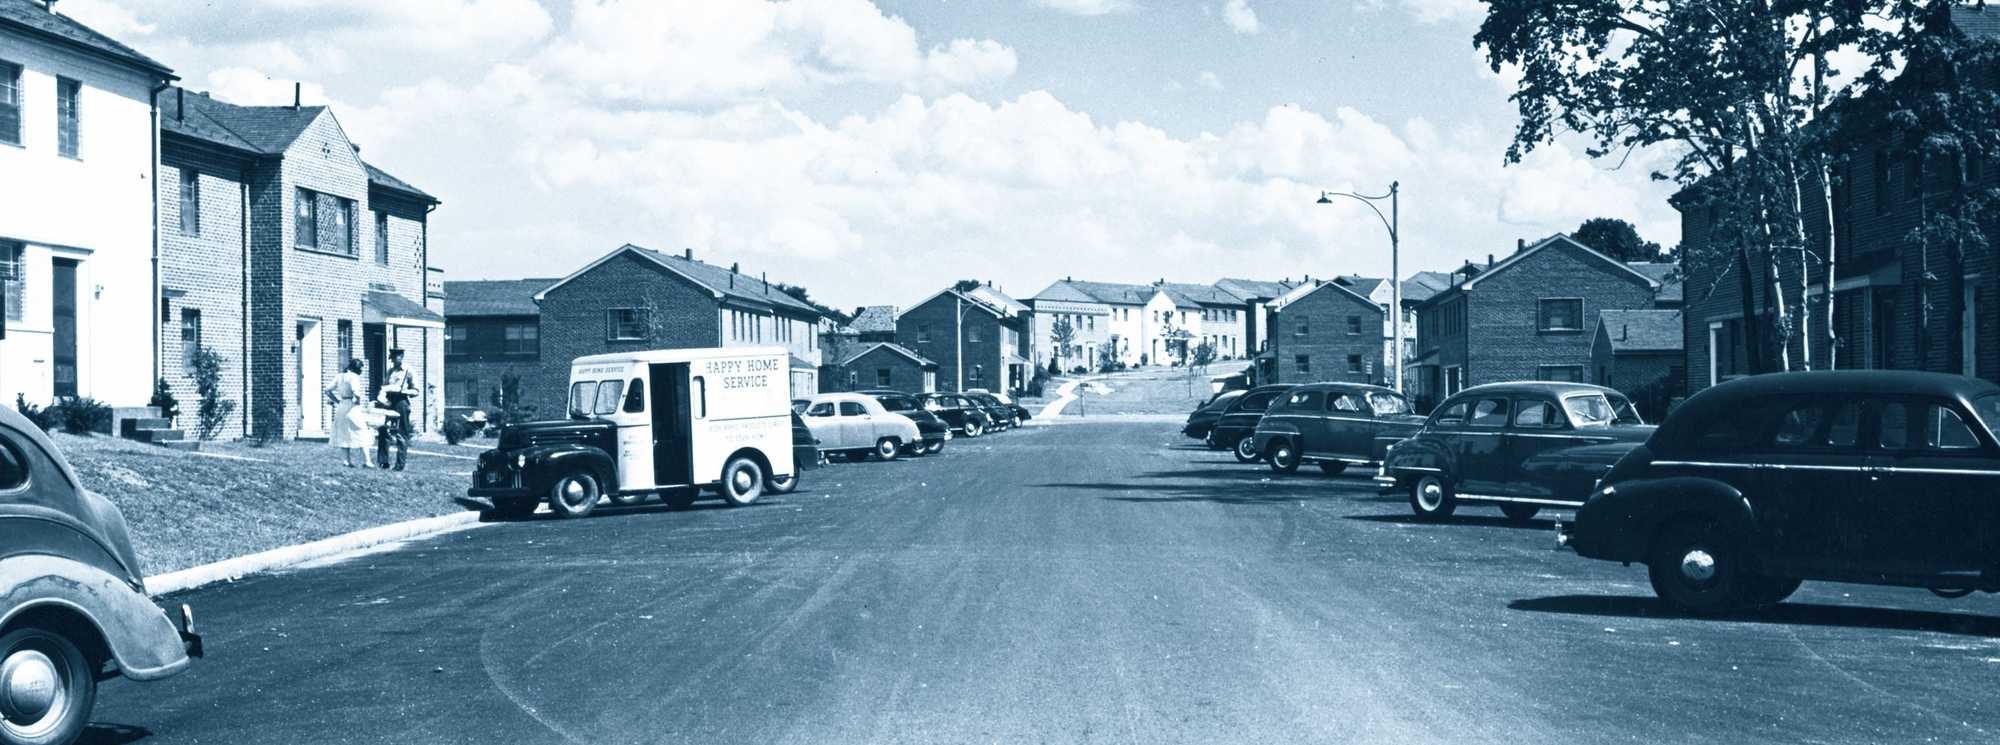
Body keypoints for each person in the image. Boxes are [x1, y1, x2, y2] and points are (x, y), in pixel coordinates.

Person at [326, 358, 374, 467]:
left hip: (341, 405)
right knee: (362, 432)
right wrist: (357, 401)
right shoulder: (354, 377)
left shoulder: (339, 376)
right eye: (361, 368)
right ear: (356, 368)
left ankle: (346, 461)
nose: (361, 370)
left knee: (344, 433)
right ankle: (367, 461)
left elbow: (327, 390)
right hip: (352, 407)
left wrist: (337, 401)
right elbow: (357, 393)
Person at [376, 349, 414, 471]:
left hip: (401, 402)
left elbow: (416, 391)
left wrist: (402, 391)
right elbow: (385, 386)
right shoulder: (390, 371)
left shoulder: (408, 371)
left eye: (395, 357)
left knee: (401, 433)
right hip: (389, 402)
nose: (393, 360)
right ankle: (383, 462)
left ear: (401, 357)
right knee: (384, 431)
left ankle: (399, 465)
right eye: (391, 358)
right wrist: (382, 398)